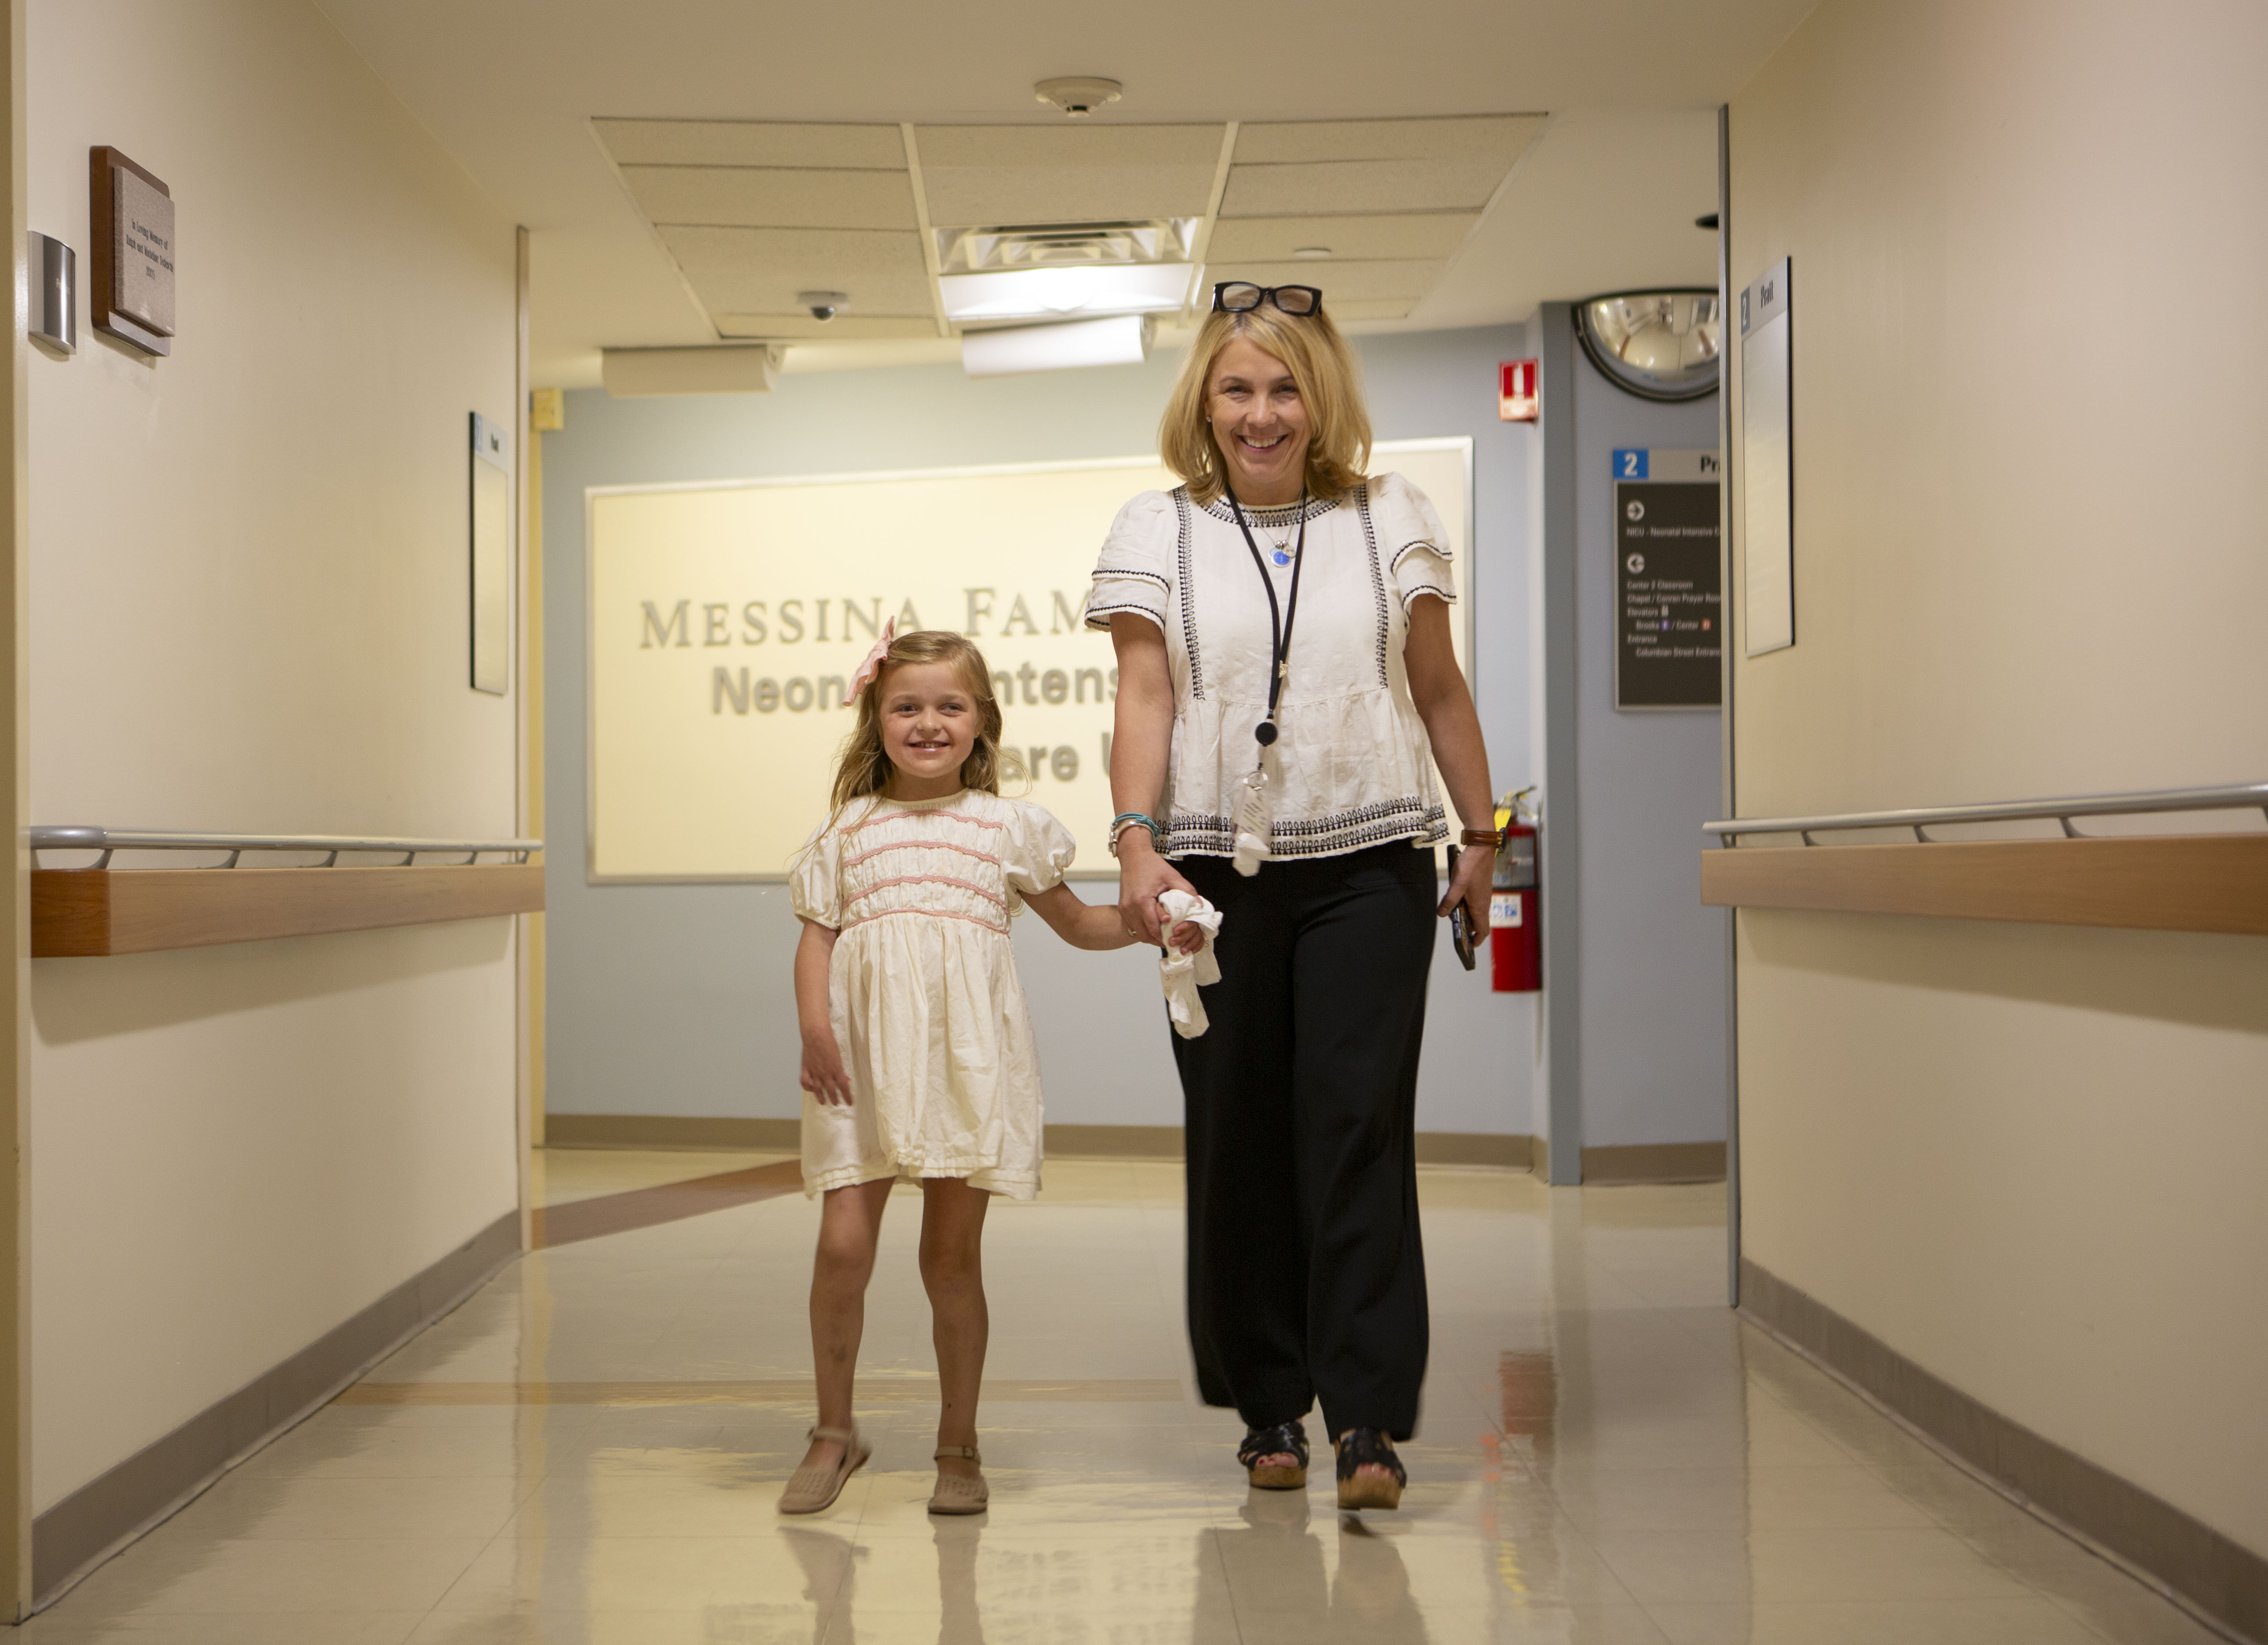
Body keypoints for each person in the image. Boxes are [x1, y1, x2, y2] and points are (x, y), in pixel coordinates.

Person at [1088, 282, 1499, 1511]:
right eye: (1237, 388)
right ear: (1202, 402)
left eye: (1284, 388)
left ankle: (1367, 1415)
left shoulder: (1390, 515)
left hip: (1370, 858)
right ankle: (1269, 1403)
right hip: (1211, 870)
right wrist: (1133, 843)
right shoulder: (1156, 527)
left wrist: (1485, 834)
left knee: (1356, 1126)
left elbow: (1437, 688)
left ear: (1319, 400)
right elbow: (1146, 698)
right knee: (1238, 1134)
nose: (1262, 413)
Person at [778, 624, 1194, 1517]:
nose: (928, 722)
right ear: (875, 719)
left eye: (949, 705)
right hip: (858, 1067)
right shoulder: (848, 830)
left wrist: (1151, 921)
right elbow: (818, 939)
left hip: (963, 1068)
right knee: (842, 1247)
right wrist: (816, 1028)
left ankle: (958, 1440)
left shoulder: (1007, 827)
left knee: (950, 1260)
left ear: (981, 722)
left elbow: (1081, 925)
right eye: (906, 706)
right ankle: (833, 1430)